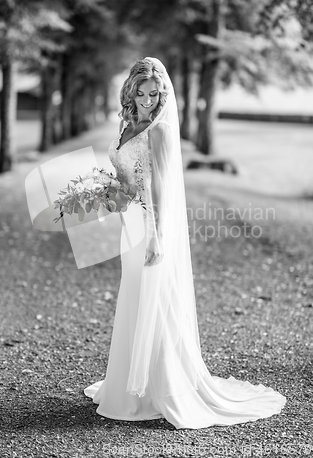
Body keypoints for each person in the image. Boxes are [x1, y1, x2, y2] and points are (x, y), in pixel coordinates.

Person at [84, 57, 286, 429]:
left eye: (154, 93)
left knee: (153, 300)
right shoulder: (128, 123)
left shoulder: (158, 131)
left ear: (163, 94)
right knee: (134, 297)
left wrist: (156, 236)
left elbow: (159, 186)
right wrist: (107, 195)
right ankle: (127, 382)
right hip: (129, 223)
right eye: (141, 93)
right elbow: (124, 177)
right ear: (131, 92)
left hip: (149, 227)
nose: (147, 99)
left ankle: (157, 387)